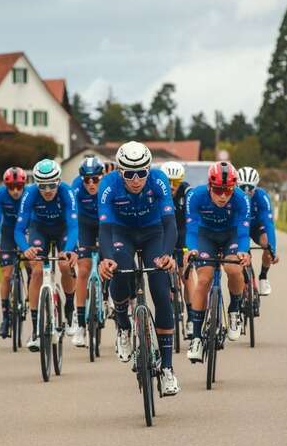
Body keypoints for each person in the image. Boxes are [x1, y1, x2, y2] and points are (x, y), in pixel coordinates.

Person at [97, 141, 180, 396]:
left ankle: (166, 369)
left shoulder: (159, 180)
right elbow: (105, 229)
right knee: (119, 272)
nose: (136, 179)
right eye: (129, 173)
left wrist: (167, 255)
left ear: (148, 169)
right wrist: (106, 258)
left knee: (161, 291)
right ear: (120, 171)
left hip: (153, 232)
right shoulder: (108, 185)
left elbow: (170, 223)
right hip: (121, 232)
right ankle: (123, 324)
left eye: (141, 172)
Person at [184, 161, 251, 362]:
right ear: (209, 186)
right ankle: (196, 337)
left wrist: (243, 251)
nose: (223, 195)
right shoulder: (195, 196)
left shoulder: (241, 199)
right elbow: (192, 227)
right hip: (205, 236)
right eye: (219, 190)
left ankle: (234, 310)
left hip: (231, 236)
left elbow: (243, 230)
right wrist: (192, 248)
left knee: (233, 268)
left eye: (228, 190)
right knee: (204, 279)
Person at [14, 159, 78, 352]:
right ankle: (35, 330)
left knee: (65, 265)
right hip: (39, 229)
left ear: (58, 181)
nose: (48, 190)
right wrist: (26, 248)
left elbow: (74, 226)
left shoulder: (67, 192)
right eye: (43, 185)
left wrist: (69, 249)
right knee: (37, 271)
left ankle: (69, 307)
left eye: (52, 184)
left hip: (63, 230)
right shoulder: (30, 193)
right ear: (36, 184)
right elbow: (18, 229)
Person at [70, 156, 105, 348]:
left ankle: (108, 296)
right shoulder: (76, 187)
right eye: (87, 180)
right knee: (83, 270)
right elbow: (72, 217)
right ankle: (81, 324)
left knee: (110, 263)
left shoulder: (107, 186)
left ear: (102, 176)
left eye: (95, 179)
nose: (91, 184)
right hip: (84, 226)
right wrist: (74, 247)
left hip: (104, 224)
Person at [0, 167, 26, 338]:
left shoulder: (29, 195)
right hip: (8, 233)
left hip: (26, 230)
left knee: (32, 265)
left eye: (19, 186)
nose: (16, 191)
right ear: (6, 186)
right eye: (11, 187)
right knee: (6, 275)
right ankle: (5, 317)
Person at [160, 161, 195, 336]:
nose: (172, 186)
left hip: (182, 233)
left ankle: (191, 316)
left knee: (185, 272)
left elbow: (192, 219)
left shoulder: (187, 192)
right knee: (162, 272)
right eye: (168, 181)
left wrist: (189, 247)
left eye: (176, 181)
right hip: (164, 233)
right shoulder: (158, 191)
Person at [236, 166, 279, 302]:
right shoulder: (233, 196)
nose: (247, 192)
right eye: (243, 188)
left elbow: (269, 223)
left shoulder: (262, 196)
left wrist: (272, 249)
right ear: (237, 185)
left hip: (255, 226)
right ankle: (245, 284)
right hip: (238, 227)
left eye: (251, 188)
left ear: (256, 186)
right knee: (242, 254)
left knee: (267, 243)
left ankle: (263, 276)